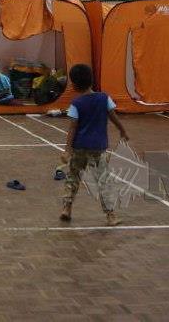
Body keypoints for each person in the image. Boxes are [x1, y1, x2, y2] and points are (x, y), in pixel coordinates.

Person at [60, 63, 129, 226]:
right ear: (91, 80)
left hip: (78, 148)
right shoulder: (104, 98)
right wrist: (123, 131)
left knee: (73, 178)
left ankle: (67, 208)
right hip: (98, 148)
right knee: (103, 181)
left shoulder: (76, 104)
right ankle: (111, 215)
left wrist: (67, 150)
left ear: (74, 84)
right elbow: (113, 116)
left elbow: (72, 128)